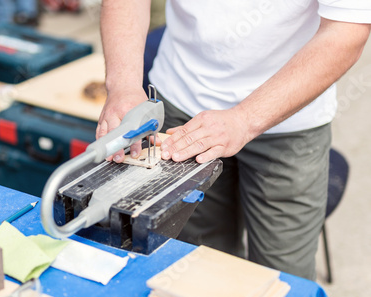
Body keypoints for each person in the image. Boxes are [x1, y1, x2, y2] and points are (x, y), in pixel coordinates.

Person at [97, 0, 371, 280]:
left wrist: (244, 119)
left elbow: (345, 30)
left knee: (282, 279)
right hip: (182, 107)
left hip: (289, 121)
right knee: (196, 265)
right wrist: (123, 86)